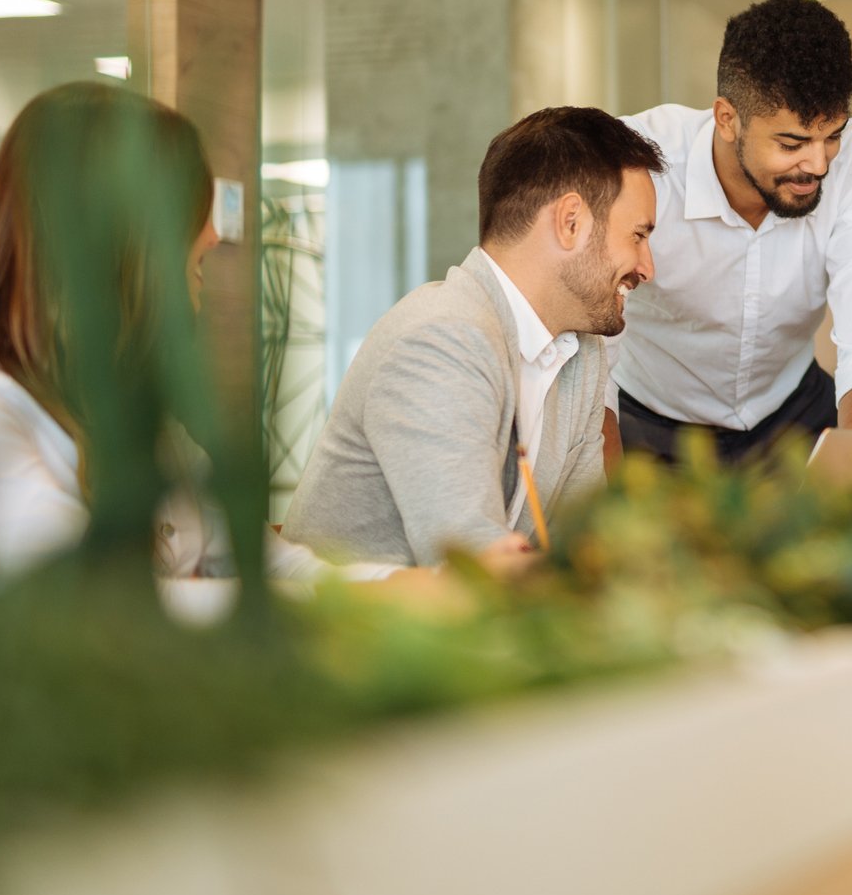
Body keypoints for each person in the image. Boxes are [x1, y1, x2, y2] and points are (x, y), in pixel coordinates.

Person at [0, 83, 400, 584]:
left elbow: (277, 569)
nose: (216, 236)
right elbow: (98, 610)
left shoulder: (134, 420)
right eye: (190, 209)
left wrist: (420, 587)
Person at [282, 107, 662, 567]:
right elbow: (468, 562)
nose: (648, 267)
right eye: (638, 235)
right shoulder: (440, 338)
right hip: (351, 630)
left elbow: (583, 543)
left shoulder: (582, 354)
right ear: (570, 222)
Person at [611, 0, 852, 465]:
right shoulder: (637, 163)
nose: (818, 164)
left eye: (831, 134)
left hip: (792, 413)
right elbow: (584, 341)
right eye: (791, 142)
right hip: (647, 421)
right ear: (727, 119)